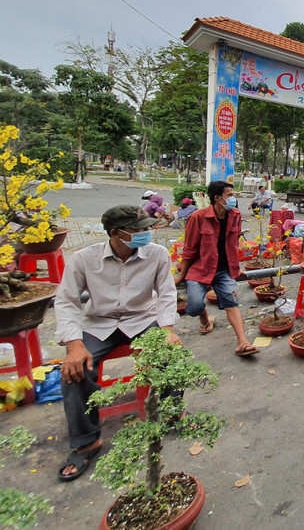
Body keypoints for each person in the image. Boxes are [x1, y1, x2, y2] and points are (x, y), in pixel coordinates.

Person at [54, 205, 180, 481]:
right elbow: (66, 301)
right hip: (99, 324)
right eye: (140, 230)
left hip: (142, 319)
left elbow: (167, 294)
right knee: (74, 371)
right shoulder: (84, 259)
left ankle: (170, 412)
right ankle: (87, 440)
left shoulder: (157, 254)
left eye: (148, 228)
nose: (147, 234)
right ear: (116, 234)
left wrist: (167, 330)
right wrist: (73, 344)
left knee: (170, 354)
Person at [173, 180, 259, 357]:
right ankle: (204, 316)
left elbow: (233, 245)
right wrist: (182, 274)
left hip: (224, 270)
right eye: (230, 196)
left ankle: (242, 342)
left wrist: (235, 269)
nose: (234, 199)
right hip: (200, 268)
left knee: (230, 301)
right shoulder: (198, 217)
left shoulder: (234, 215)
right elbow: (189, 249)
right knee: (195, 306)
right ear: (217, 198)